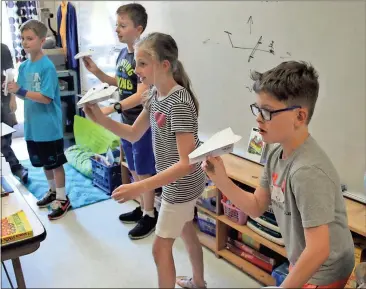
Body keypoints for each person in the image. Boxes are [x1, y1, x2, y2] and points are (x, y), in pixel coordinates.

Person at [202, 61, 355, 288]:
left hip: (325, 271)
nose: (258, 118)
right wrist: (221, 180)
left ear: (299, 117)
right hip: (303, 257)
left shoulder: (307, 171)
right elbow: (256, 206)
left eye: (268, 111)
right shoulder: (275, 154)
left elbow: (319, 250)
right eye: (257, 109)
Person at [84, 32, 207, 289]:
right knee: (186, 231)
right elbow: (133, 133)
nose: (136, 70)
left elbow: (186, 163)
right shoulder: (153, 95)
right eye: (137, 63)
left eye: (142, 64)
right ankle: (199, 282)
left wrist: (140, 187)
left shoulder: (180, 103)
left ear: (164, 65)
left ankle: (197, 281)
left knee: (159, 249)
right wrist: (101, 119)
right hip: (174, 180)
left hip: (181, 185)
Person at [81, 3, 157, 240]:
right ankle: (143, 205)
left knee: (144, 171)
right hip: (126, 121)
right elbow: (121, 83)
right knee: (133, 167)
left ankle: (149, 213)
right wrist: (97, 73)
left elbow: (141, 93)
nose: (117, 29)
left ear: (139, 28)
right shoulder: (124, 53)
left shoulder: (142, 56)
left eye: (123, 25)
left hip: (140, 124)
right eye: (117, 25)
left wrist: (112, 107)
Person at [7, 20, 70, 220]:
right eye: (23, 39)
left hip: (49, 127)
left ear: (42, 41)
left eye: (30, 39)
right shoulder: (24, 66)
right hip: (33, 127)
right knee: (44, 163)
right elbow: (23, 94)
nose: (25, 43)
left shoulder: (47, 67)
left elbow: (46, 97)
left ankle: (62, 197)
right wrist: (13, 93)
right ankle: (52, 191)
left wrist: (21, 91)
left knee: (55, 163)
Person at [1, 43, 28, 184]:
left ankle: (13, 168)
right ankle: (16, 167)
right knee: (2, 142)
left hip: (4, 98)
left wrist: (13, 98)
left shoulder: (2, 48)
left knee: (6, 138)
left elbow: (10, 74)